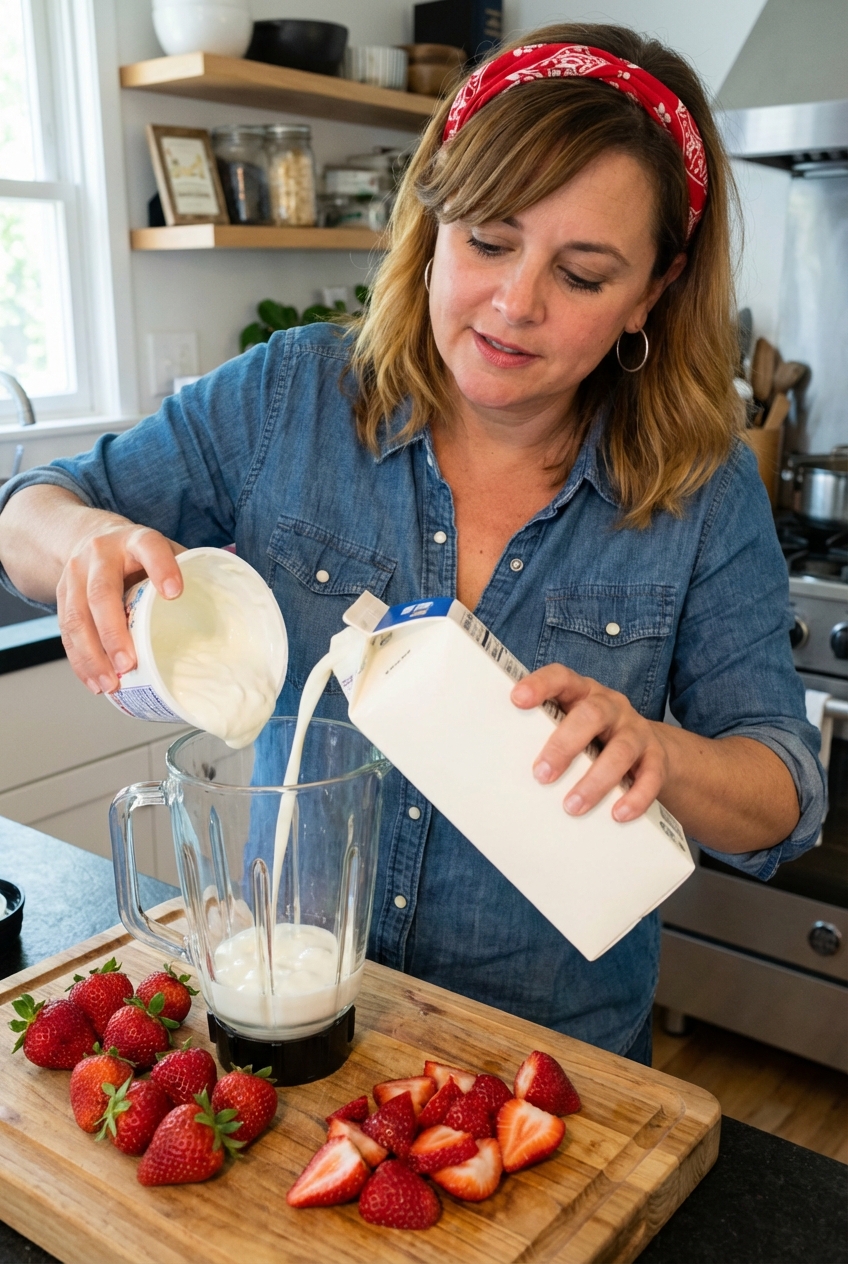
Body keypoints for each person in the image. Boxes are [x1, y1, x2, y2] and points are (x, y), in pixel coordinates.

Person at [0, 24, 825, 1065]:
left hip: (540, 1069)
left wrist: (656, 753)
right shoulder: (288, 398)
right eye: (486, 238)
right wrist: (85, 537)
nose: (513, 304)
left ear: (648, 293)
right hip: (294, 1022)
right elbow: (26, 510)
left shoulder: (697, 492)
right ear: (431, 216)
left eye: (579, 274)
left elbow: (782, 793)